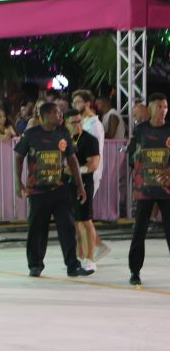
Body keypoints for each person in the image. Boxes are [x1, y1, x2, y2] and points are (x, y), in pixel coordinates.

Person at [14, 103, 93, 278]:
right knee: (37, 229)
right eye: (57, 113)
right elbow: (19, 157)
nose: (60, 116)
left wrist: (80, 186)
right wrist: (18, 183)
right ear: (46, 115)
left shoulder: (63, 133)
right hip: (37, 191)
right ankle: (35, 265)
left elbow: (72, 160)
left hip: (60, 189)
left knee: (67, 227)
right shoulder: (31, 134)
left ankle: (72, 265)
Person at [126, 93, 170, 285]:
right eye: (159, 106)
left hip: (167, 190)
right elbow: (131, 158)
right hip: (144, 189)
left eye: (165, 107)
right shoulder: (141, 130)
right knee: (139, 231)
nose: (163, 110)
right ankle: (135, 271)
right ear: (150, 108)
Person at [65, 108, 101, 272]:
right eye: (73, 122)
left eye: (79, 121)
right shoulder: (63, 140)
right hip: (66, 186)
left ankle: (90, 258)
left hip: (84, 185)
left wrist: (75, 170)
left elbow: (93, 164)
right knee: (75, 224)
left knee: (85, 221)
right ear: (65, 123)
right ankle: (80, 257)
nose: (77, 125)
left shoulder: (89, 139)